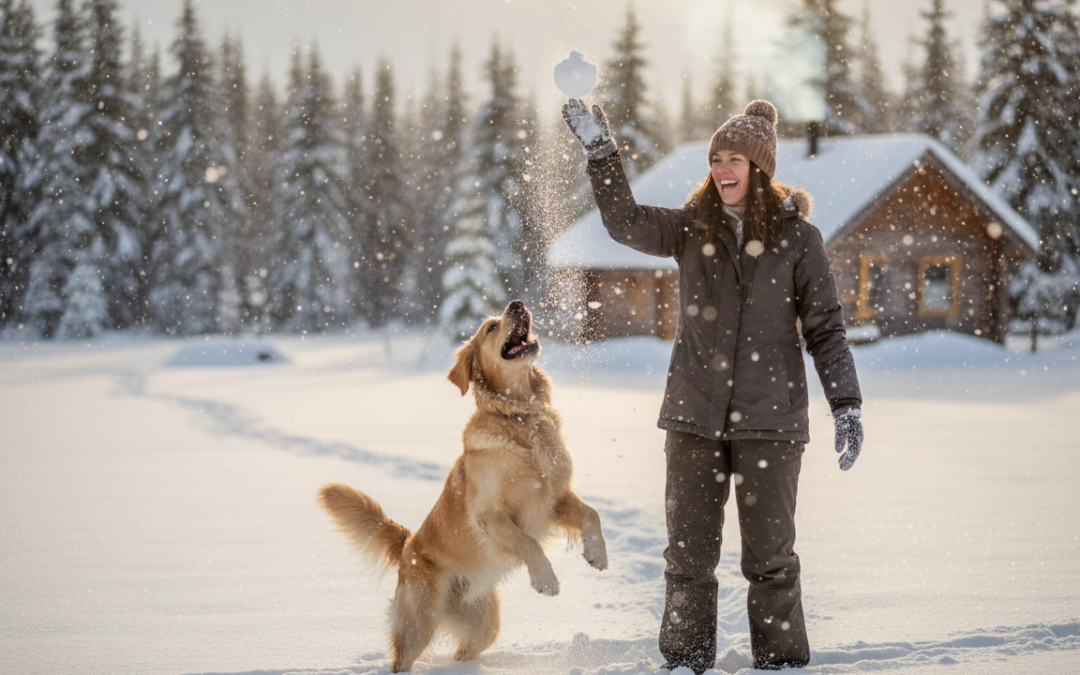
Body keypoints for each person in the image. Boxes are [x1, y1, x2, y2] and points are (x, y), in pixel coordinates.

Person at [562, 98, 864, 672]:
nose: (724, 169)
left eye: (735, 159)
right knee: (688, 560)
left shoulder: (800, 241)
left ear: (760, 168)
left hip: (771, 423)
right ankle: (684, 663)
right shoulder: (690, 228)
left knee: (771, 560)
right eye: (717, 158)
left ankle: (778, 665)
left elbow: (826, 329)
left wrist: (846, 402)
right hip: (694, 418)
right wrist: (602, 154)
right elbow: (624, 222)